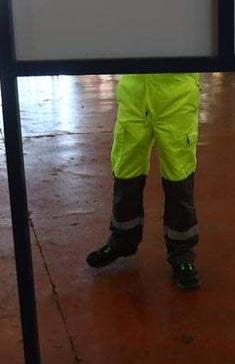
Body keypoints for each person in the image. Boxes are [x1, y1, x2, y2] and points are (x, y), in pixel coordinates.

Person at [86, 73, 201, 289]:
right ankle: (122, 241)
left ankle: (182, 255)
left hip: (177, 97)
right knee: (125, 171)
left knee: (179, 177)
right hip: (134, 95)